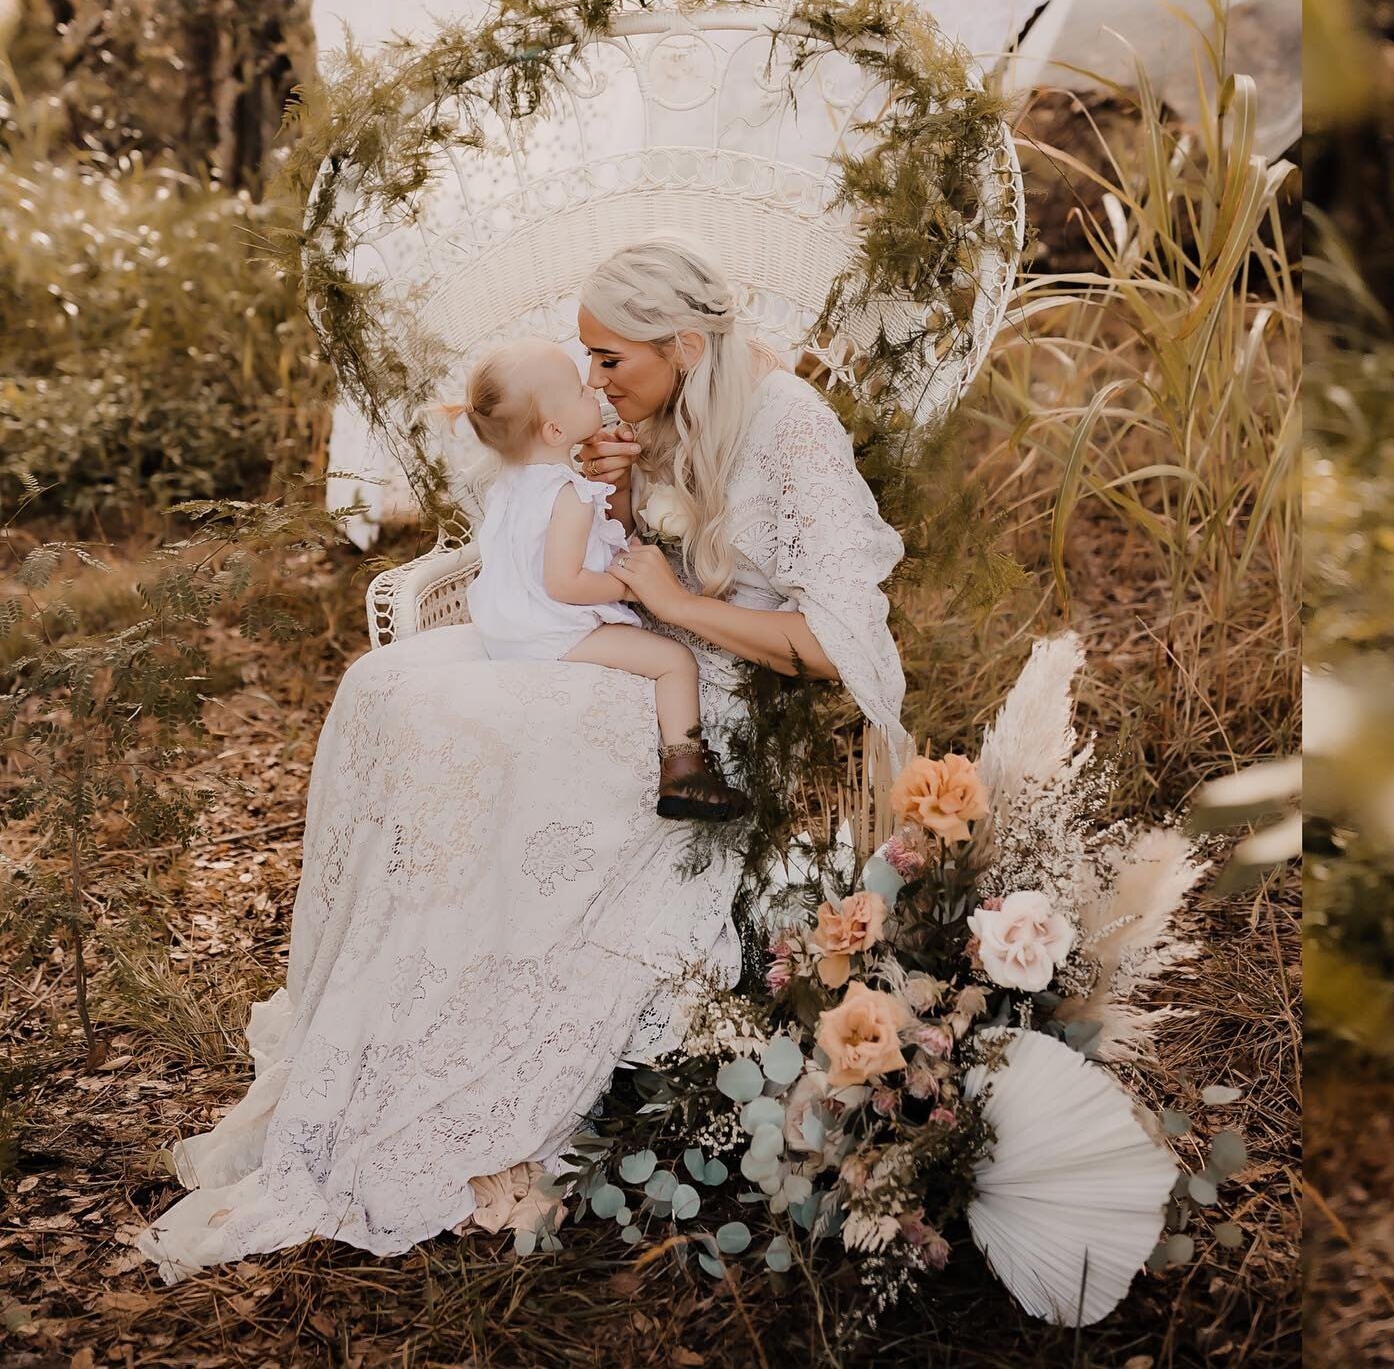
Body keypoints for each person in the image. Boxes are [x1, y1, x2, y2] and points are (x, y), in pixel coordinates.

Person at [134, 233, 909, 1283]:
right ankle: (404, 1003)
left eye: (610, 361)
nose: (594, 380)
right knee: (395, 689)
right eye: (586, 361)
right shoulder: (667, 404)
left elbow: (832, 648)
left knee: (493, 731)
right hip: (645, 637)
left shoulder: (791, 426)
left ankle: (475, 1047)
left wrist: (676, 602)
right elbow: (622, 547)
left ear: (683, 342)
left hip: (719, 683)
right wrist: (614, 493)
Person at [442, 336, 746, 822]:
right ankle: (686, 774)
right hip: (547, 633)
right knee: (674, 660)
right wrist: (628, 586)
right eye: (582, 394)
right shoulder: (568, 494)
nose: (594, 388)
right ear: (556, 429)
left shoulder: (511, 483)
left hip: (507, 626)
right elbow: (565, 584)